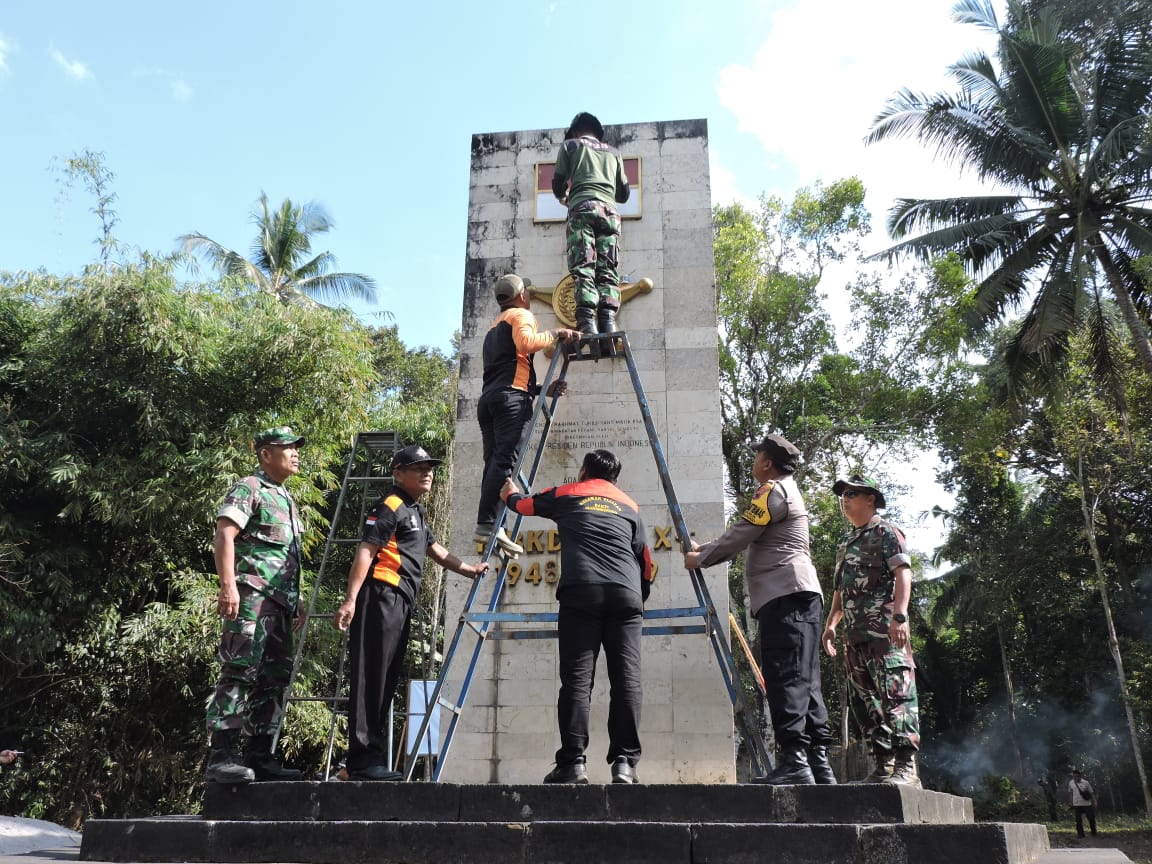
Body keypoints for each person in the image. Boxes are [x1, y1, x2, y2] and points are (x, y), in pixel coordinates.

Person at [683, 434, 835, 785]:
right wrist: (704, 547)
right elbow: (749, 533)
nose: (753, 463)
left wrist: (700, 559)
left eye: (757, 457)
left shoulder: (771, 490)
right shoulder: (788, 491)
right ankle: (819, 764)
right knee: (806, 678)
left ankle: (796, 762)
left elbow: (743, 532)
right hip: (800, 594)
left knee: (785, 676)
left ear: (767, 462)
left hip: (785, 596)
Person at [334, 444, 489, 780]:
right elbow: (365, 550)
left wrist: (470, 569)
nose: (427, 472)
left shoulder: (414, 510)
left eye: (429, 467)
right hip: (380, 596)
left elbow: (436, 550)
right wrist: (350, 600)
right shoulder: (390, 505)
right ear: (398, 473)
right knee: (371, 678)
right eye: (418, 467)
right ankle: (361, 762)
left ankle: (364, 760)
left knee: (386, 679)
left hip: (400, 602)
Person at [501, 449, 654, 784]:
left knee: (577, 681)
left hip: (581, 592)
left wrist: (508, 493)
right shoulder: (630, 505)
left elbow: (523, 505)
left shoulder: (568, 493)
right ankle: (625, 764)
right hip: (625, 595)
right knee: (627, 681)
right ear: (615, 478)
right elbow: (646, 560)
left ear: (584, 471)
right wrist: (637, 597)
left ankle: (572, 763)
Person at [205, 426, 307, 784]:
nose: (295, 453)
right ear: (266, 454)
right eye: (288, 448)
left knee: (274, 679)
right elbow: (225, 535)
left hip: (280, 605)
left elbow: (284, 555)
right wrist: (227, 586)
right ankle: (222, 756)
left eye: (296, 448)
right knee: (239, 670)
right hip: (251, 597)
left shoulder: (286, 498)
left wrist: (299, 600)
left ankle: (260, 755)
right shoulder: (250, 487)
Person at [821, 475, 922, 787]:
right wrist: (831, 625)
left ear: (871, 499)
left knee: (897, 695)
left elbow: (903, 573)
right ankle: (882, 766)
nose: (844, 499)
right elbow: (840, 591)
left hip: (884, 634)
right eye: (843, 495)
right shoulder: (846, 544)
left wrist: (900, 617)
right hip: (855, 639)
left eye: (852, 494)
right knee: (866, 703)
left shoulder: (886, 532)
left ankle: (907, 769)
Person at [475, 273, 579, 556]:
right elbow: (525, 343)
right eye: (527, 293)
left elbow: (508, 370)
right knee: (505, 463)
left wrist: (541, 390)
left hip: (490, 400)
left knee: (494, 464)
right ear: (521, 296)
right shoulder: (520, 315)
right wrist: (555, 334)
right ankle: (487, 527)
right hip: (510, 401)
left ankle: (493, 527)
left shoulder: (494, 326)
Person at [551, 112, 631, 352]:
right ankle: (607, 321)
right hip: (610, 215)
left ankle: (587, 323)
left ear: (576, 131)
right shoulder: (614, 153)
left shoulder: (571, 146)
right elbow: (624, 194)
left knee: (584, 267)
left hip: (582, 210)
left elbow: (556, 185)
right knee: (608, 269)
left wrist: (566, 194)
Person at [1069, 769, 1098, 837]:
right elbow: (1070, 793)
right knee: (1078, 820)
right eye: (1074, 776)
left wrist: (1095, 801)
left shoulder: (1086, 782)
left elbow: (1091, 793)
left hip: (1087, 804)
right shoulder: (1071, 783)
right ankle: (1080, 834)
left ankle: (1094, 832)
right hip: (1076, 804)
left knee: (1091, 818)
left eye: (1077, 776)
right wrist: (1070, 802)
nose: (1076, 778)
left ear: (1080, 776)